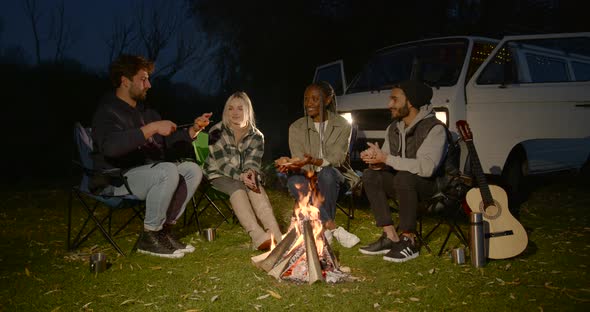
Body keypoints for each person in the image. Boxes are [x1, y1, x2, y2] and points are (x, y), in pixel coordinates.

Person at [92, 54, 212, 259]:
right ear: (125, 80)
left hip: (150, 172)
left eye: (148, 79)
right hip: (117, 177)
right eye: (143, 79)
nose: (149, 85)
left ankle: (164, 232)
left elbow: (169, 144)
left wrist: (194, 130)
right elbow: (110, 147)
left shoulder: (147, 112)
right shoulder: (107, 111)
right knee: (167, 170)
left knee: (192, 169)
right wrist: (150, 129)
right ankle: (150, 236)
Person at [359, 80, 447, 262]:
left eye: (394, 99)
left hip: (432, 188)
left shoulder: (435, 128)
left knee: (404, 177)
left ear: (411, 102)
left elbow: (427, 168)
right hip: (403, 185)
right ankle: (390, 236)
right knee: (370, 175)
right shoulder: (393, 128)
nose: (389, 104)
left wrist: (386, 159)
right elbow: (388, 160)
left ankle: (409, 240)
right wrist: (376, 161)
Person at [275, 81, 360, 248]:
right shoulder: (297, 127)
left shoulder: (342, 124)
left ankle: (324, 228)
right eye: (306, 99)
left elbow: (338, 158)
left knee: (327, 174)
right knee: (294, 181)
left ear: (327, 100)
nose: (309, 104)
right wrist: (290, 163)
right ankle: (330, 228)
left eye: (315, 99)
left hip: (336, 177)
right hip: (309, 176)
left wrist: (315, 161)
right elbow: (299, 158)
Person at [204, 92, 283, 251]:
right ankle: (258, 237)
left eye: (240, 108)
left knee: (254, 184)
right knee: (237, 187)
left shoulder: (256, 136)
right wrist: (240, 176)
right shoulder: (215, 132)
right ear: (226, 111)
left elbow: (252, 162)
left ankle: (277, 235)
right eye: (231, 108)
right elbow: (221, 164)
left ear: (248, 111)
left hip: (241, 174)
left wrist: (250, 174)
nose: (235, 113)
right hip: (218, 174)